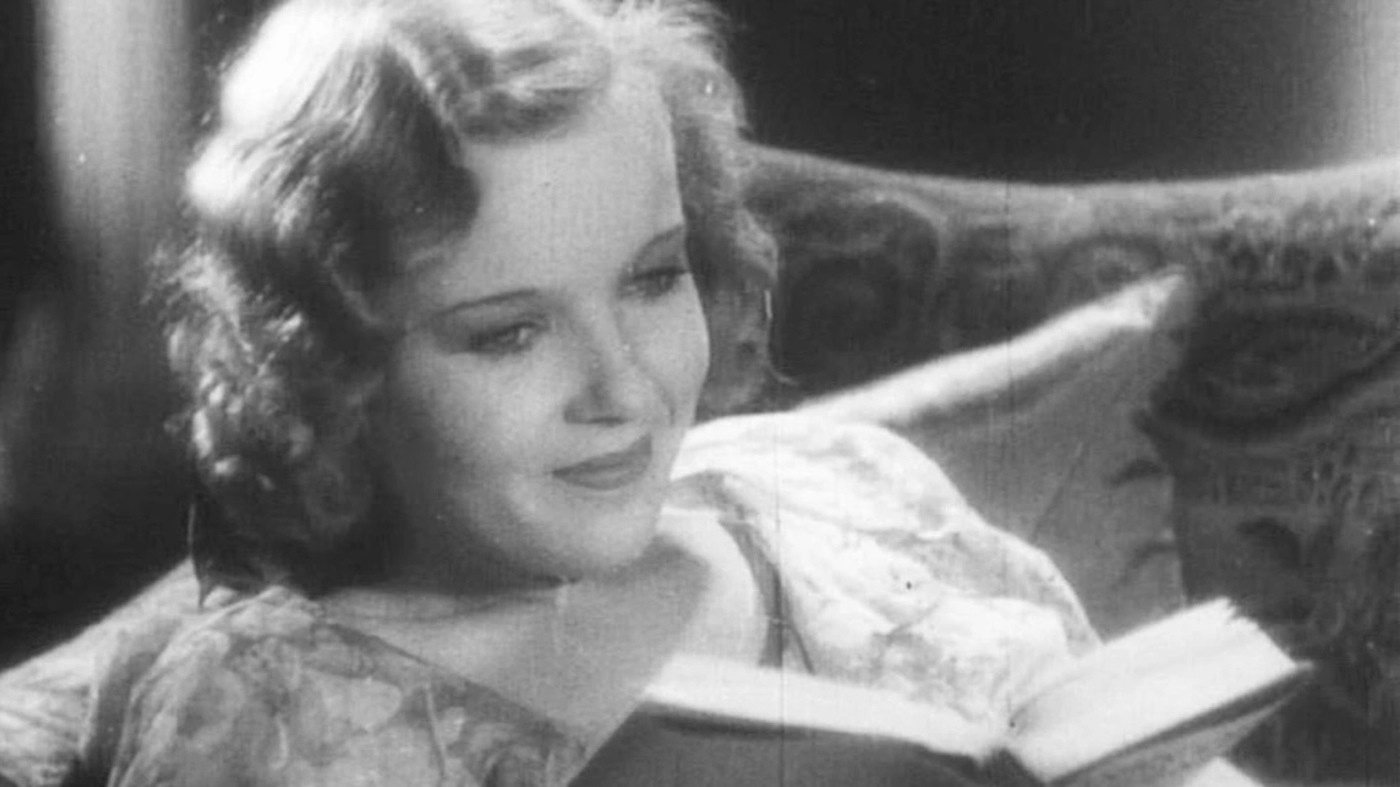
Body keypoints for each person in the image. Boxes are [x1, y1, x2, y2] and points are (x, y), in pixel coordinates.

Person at [12, 0, 1118, 784]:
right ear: (336, 374)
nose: (622, 385)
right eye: (509, 334)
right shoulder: (276, 711)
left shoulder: (843, 486)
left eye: (652, 277)